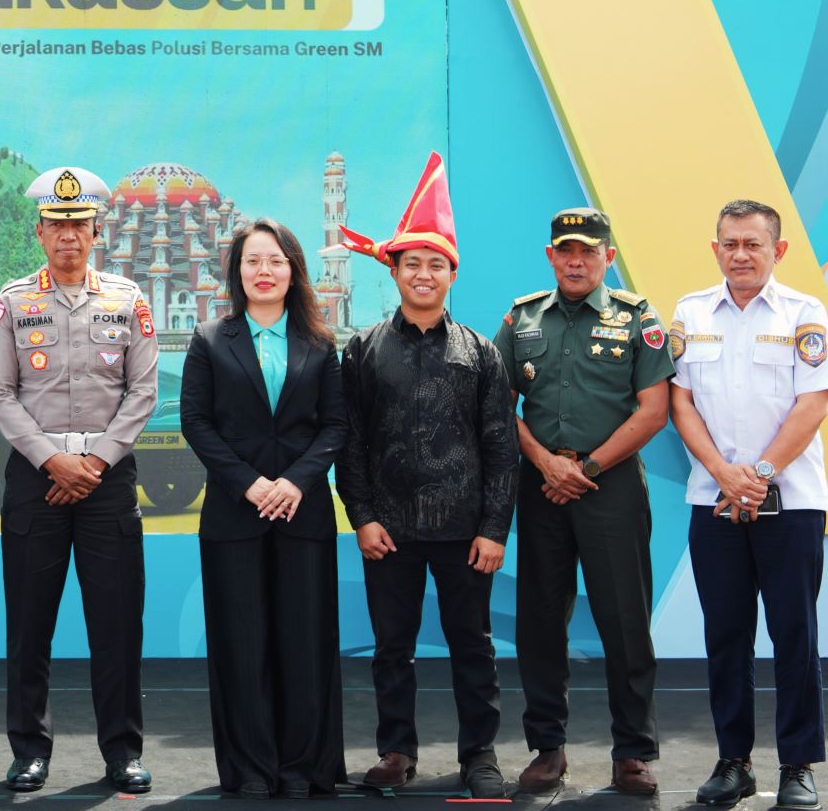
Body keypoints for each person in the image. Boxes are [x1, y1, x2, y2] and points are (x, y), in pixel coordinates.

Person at [335, 153, 517, 799]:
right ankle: (395, 750)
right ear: (394, 270)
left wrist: (495, 528)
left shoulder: (482, 353)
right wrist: (363, 517)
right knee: (392, 648)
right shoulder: (360, 350)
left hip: (465, 533)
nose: (423, 273)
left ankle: (480, 756)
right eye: (411, 262)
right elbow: (348, 440)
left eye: (435, 264)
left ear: (451, 273)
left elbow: (501, 447)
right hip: (388, 531)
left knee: (474, 649)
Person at [0, 166, 159, 794]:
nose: (68, 237)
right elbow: (0, 394)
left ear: (96, 232)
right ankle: (30, 750)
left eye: (78, 226)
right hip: (37, 477)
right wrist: (52, 461)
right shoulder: (13, 302)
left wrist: (96, 462)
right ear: (39, 232)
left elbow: (142, 391)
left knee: (116, 623)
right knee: (30, 623)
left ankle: (122, 752)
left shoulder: (127, 299)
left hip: (107, 479)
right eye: (56, 226)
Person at [494, 208, 670, 796]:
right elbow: (500, 407)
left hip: (610, 483)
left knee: (625, 620)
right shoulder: (521, 318)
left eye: (588, 251)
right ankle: (548, 749)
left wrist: (586, 468)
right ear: (550, 256)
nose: (576, 260)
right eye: (566, 250)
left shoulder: (638, 317)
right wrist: (548, 463)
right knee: (541, 622)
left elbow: (654, 410)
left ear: (608, 257)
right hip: (542, 484)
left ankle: (633, 754)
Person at [179, 218, 348, 799]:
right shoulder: (209, 340)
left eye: (275, 260)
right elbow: (196, 423)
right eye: (253, 261)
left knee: (305, 642)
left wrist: (296, 482)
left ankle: (304, 767)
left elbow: (335, 426)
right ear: (237, 271)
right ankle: (251, 768)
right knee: (240, 642)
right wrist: (250, 484)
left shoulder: (321, 344)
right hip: (234, 514)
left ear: (293, 270)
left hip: (304, 514)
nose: (264, 271)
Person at [669, 199, 828, 811]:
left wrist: (757, 475)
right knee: (726, 636)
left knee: (795, 633)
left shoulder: (803, 314)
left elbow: (812, 404)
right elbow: (679, 402)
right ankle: (732, 763)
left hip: (790, 502)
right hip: (713, 501)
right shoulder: (690, 312)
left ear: (777, 251)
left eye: (753, 244)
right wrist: (721, 473)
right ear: (715, 249)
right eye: (730, 243)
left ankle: (797, 767)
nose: (740, 254)